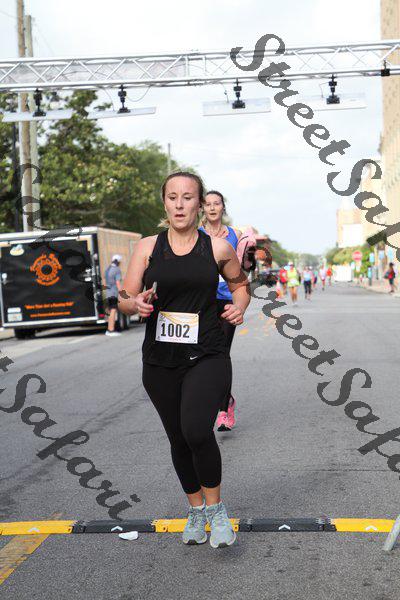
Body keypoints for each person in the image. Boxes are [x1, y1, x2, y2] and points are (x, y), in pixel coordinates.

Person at [118, 172, 250, 549]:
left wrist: (239, 307)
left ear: (199, 204)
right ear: (164, 202)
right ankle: (195, 510)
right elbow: (123, 298)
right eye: (172, 197)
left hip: (207, 352)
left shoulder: (217, 248)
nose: (179, 204)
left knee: (196, 431)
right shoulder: (147, 247)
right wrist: (134, 303)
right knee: (178, 438)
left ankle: (217, 511)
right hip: (160, 359)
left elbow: (241, 285)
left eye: (187, 197)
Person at [199, 190, 241, 432]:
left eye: (217, 203)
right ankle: (217, 398)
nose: (213, 207)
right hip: (202, 301)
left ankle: (224, 408)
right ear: (202, 208)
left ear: (223, 207)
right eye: (208, 204)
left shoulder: (235, 235)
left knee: (222, 353)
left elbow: (242, 269)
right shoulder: (195, 234)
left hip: (226, 300)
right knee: (204, 354)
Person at [104, 254, 123, 336]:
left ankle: (109, 329)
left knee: (110, 311)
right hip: (114, 293)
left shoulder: (107, 269)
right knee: (113, 311)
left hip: (108, 293)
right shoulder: (117, 270)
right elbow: (118, 283)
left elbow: (105, 282)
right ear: (118, 262)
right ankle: (111, 330)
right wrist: (122, 293)